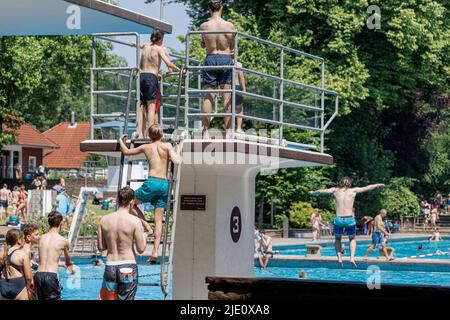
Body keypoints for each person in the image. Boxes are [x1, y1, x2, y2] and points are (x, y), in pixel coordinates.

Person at [119, 125, 181, 264]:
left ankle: (147, 227)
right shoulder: (167, 146)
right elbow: (177, 160)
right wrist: (178, 147)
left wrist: (121, 141)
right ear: (162, 134)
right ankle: (155, 252)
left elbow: (126, 152)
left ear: (149, 136)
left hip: (152, 181)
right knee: (159, 220)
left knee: (130, 203)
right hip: (165, 184)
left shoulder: (146, 147)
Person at [309, 177, 385, 266]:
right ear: (349, 183)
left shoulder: (335, 190)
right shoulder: (353, 190)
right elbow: (366, 188)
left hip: (338, 219)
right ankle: (352, 258)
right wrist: (377, 185)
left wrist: (313, 192)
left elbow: (323, 191)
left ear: (340, 183)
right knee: (352, 238)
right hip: (349, 219)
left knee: (337, 239)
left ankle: (340, 258)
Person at [97, 187, 152, 300]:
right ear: (132, 201)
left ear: (118, 200)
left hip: (110, 267)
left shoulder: (104, 220)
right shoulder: (134, 221)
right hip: (127, 266)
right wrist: (146, 234)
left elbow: (101, 247)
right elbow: (141, 249)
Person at [200, 0, 237, 139]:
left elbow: (203, 44)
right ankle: (228, 131)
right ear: (221, 7)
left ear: (209, 9)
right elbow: (232, 46)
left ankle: (205, 131)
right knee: (227, 96)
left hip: (210, 58)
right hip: (225, 58)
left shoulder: (204, 26)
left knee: (208, 97)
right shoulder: (229, 26)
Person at [139, 29, 180, 139]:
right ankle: (150, 134)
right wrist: (180, 70)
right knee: (151, 107)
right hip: (151, 77)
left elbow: (140, 63)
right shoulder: (159, 49)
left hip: (141, 76)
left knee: (141, 107)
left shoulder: (145, 48)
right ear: (161, 38)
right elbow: (169, 63)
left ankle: (140, 134)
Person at [34, 211, 74, 300]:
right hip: (51, 276)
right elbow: (68, 262)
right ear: (61, 224)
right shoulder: (63, 241)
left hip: (38, 275)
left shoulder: (41, 238)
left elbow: (48, 257)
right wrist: (71, 269)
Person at [0, 229, 33, 300]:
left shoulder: (2, 253)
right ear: (18, 240)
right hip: (18, 285)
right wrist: (27, 288)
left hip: (4, 284)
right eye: (23, 238)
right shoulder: (22, 254)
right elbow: (28, 277)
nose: (24, 240)